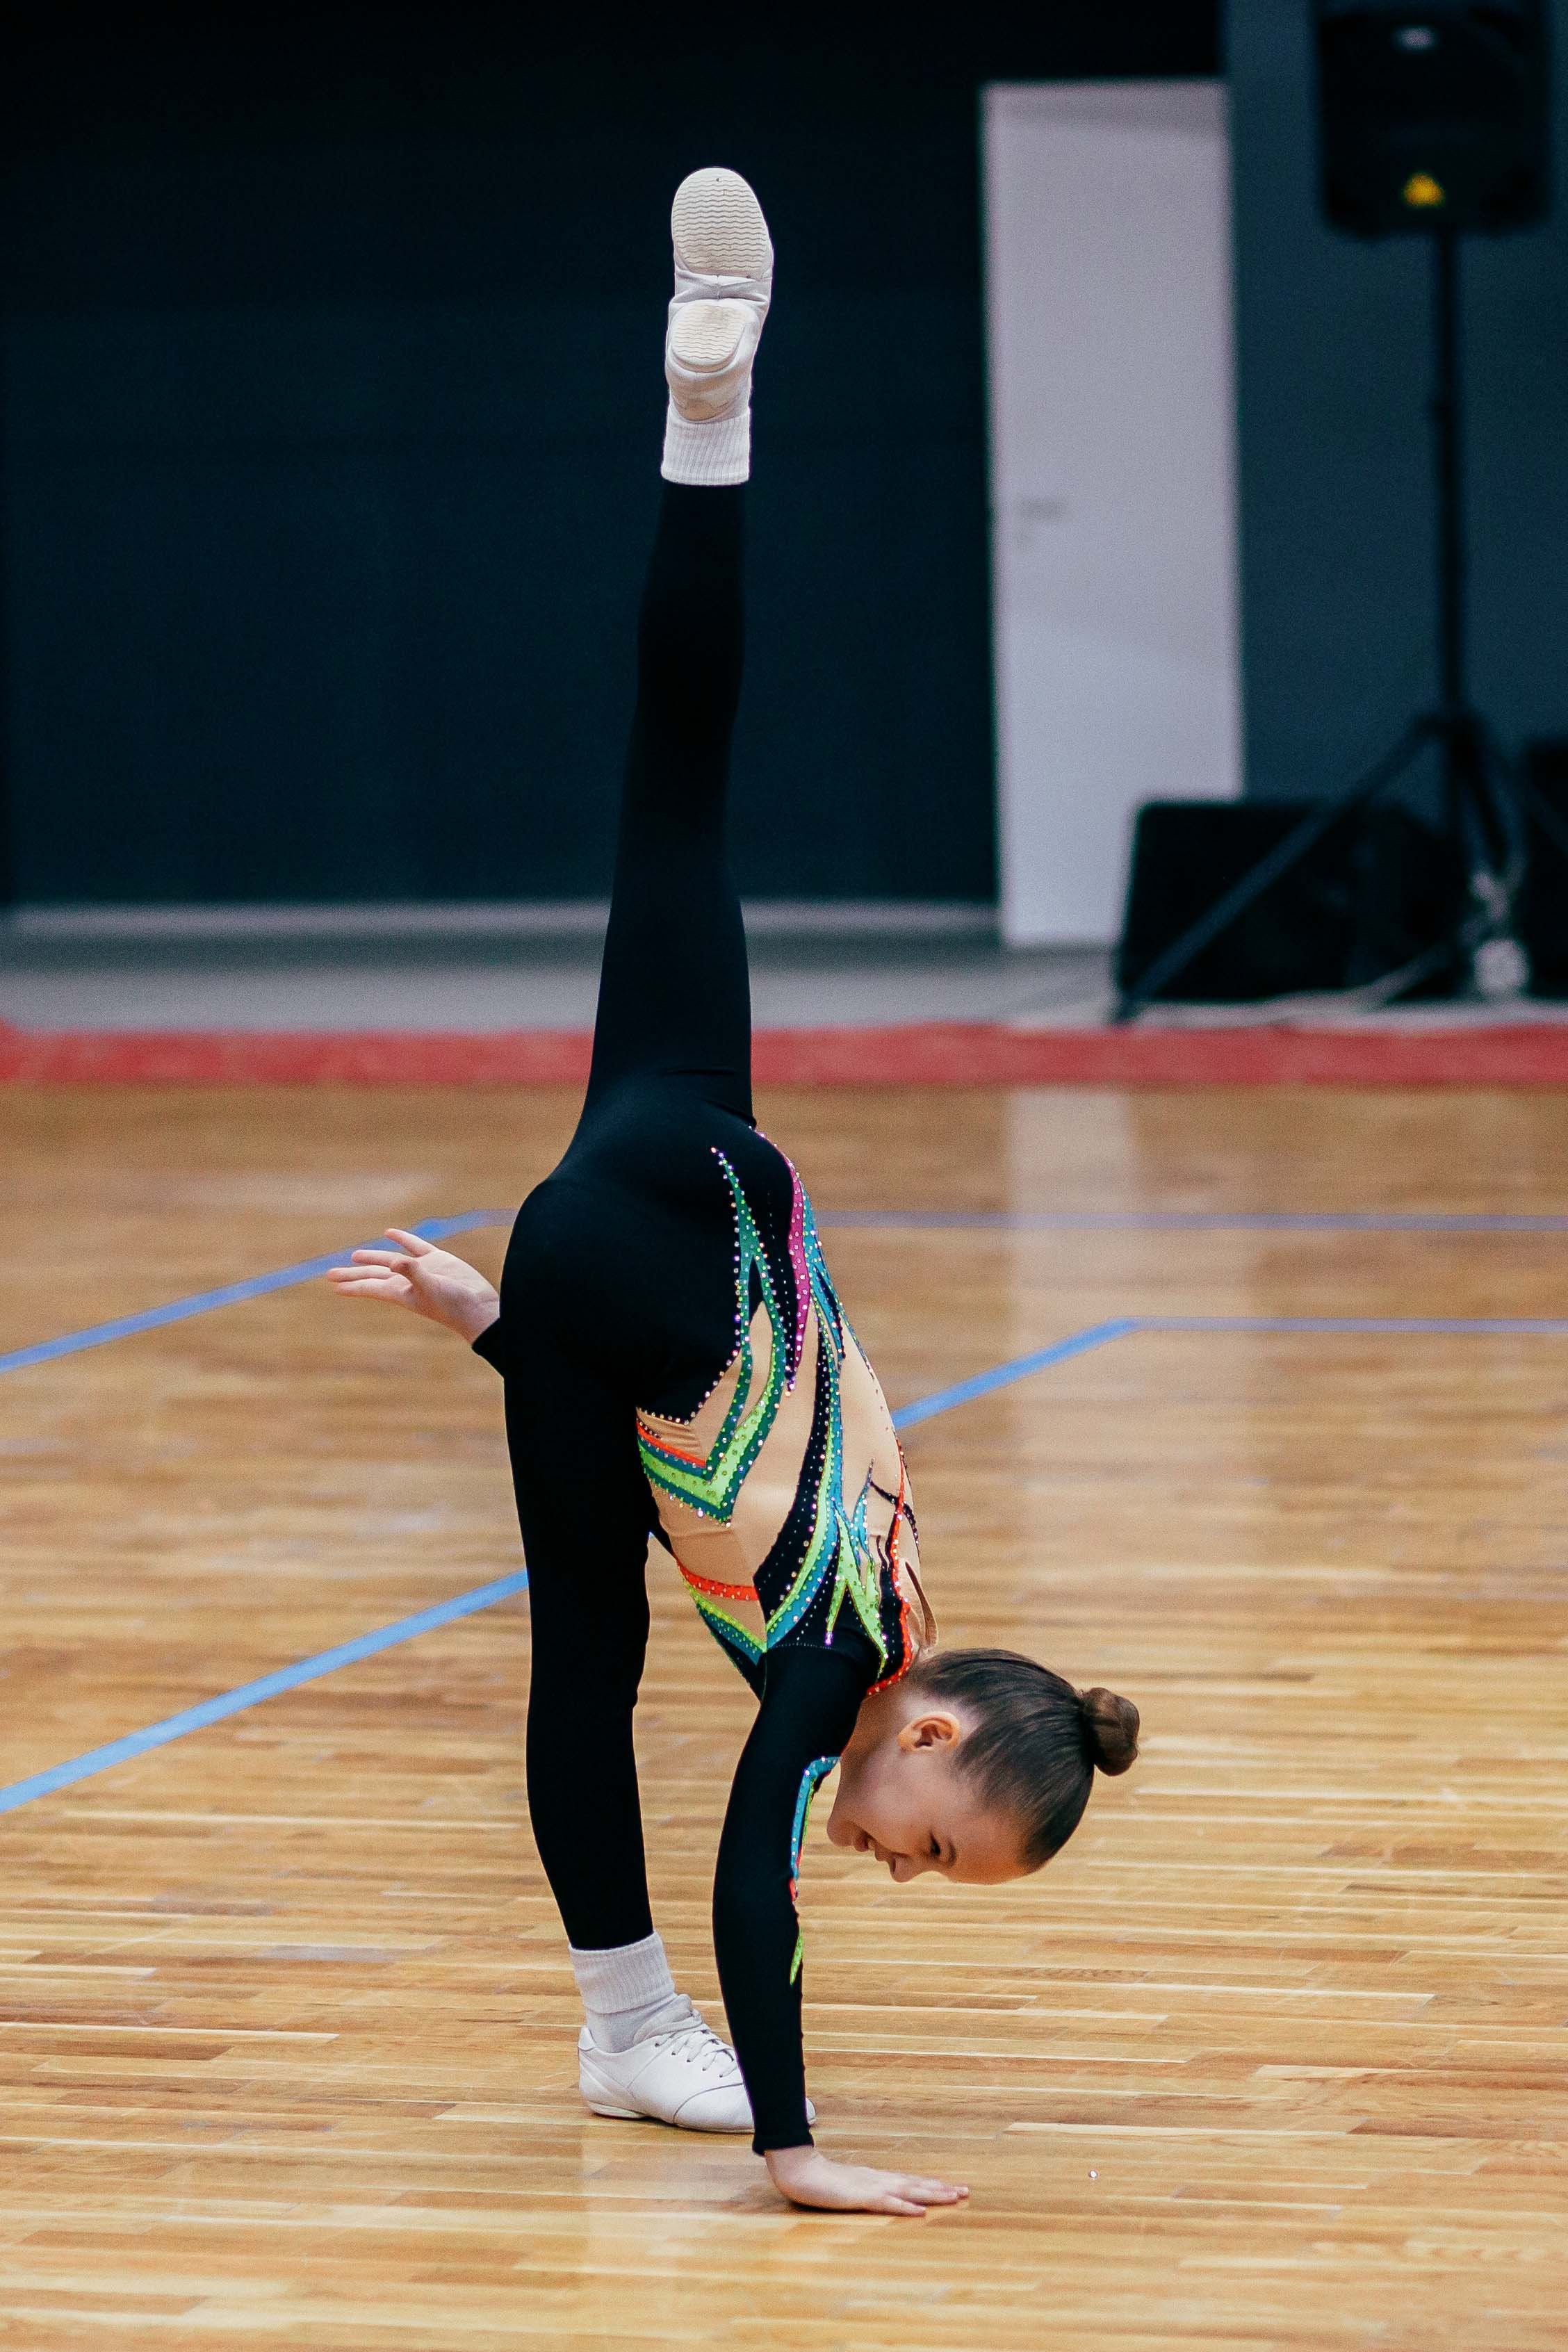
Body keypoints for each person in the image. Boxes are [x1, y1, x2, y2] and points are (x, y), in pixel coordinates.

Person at [329, 167, 1139, 2217]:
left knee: (676, 774)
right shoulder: (830, 1663)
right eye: (932, 1842)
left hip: (682, 1155)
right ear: (935, 1733)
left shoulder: (905, 1583)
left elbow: (734, 1420)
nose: (889, 1864)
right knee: (579, 1667)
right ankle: (628, 2036)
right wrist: (796, 2147)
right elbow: (746, 1884)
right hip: (606, 1253)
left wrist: (500, 1328)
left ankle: (713, 412)